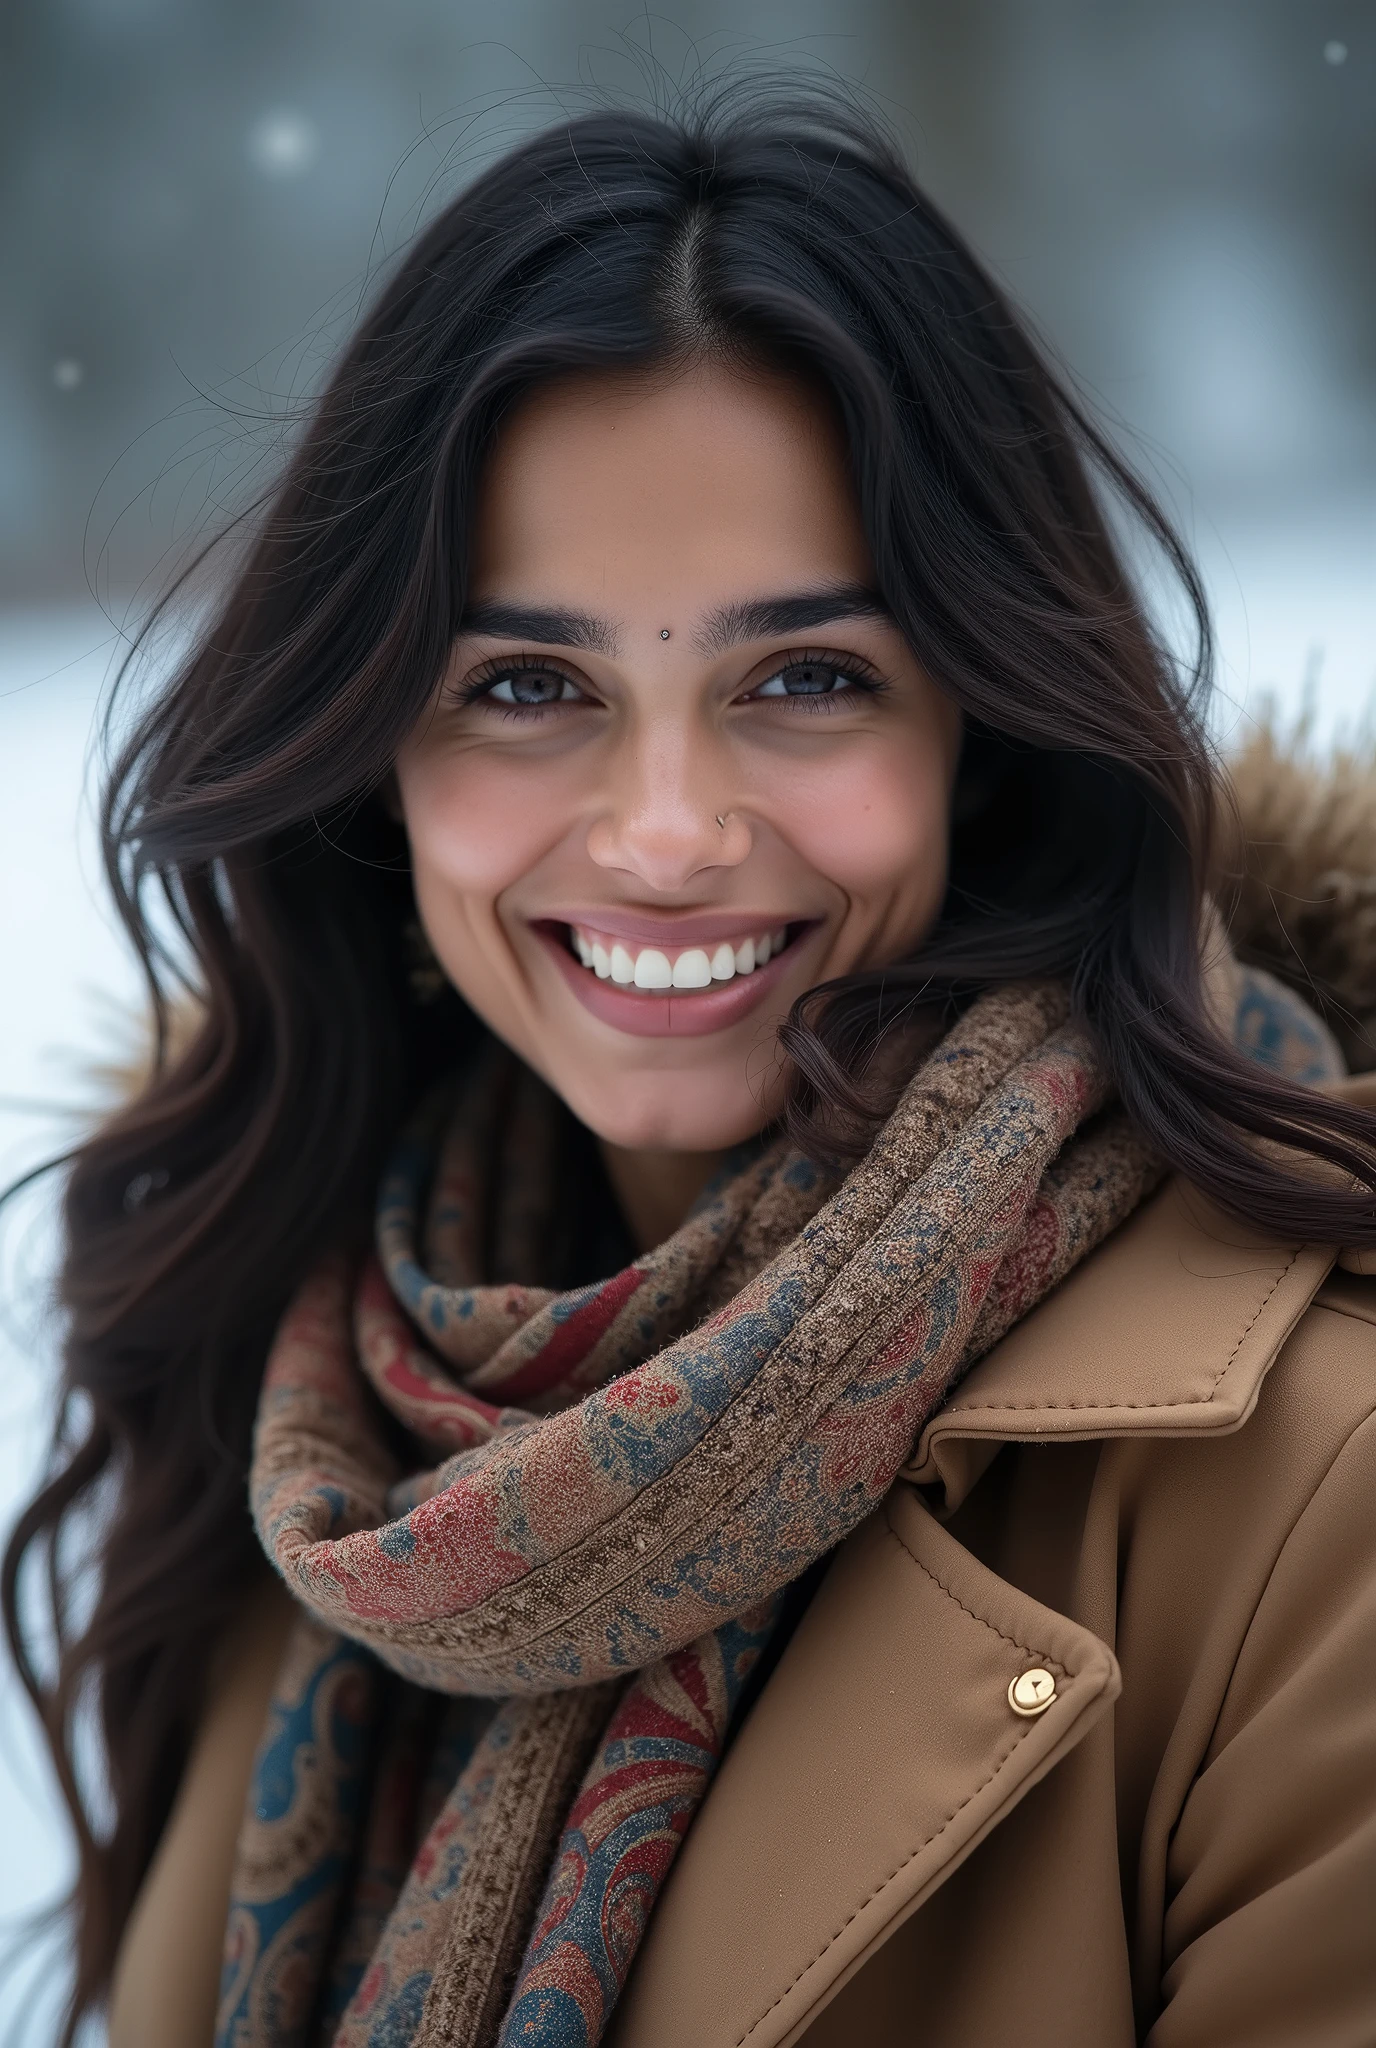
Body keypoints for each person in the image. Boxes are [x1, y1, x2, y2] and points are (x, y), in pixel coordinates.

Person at [7, 92, 1375, 2048]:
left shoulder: (1319, 1510)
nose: (662, 831)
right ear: (371, 753)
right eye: (527, 687)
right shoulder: (301, 1418)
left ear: (979, 727)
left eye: (804, 677)